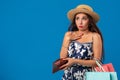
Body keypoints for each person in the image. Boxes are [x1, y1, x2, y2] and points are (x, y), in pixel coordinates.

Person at [59, 4, 104, 80]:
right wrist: (67, 39)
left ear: (89, 21)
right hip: (68, 76)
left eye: (84, 19)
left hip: (87, 76)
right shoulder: (68, 34)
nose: (80, 22)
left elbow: (97, 62)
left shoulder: (95, 36)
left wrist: (75, 61)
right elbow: (62, 59)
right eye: (77, 18)